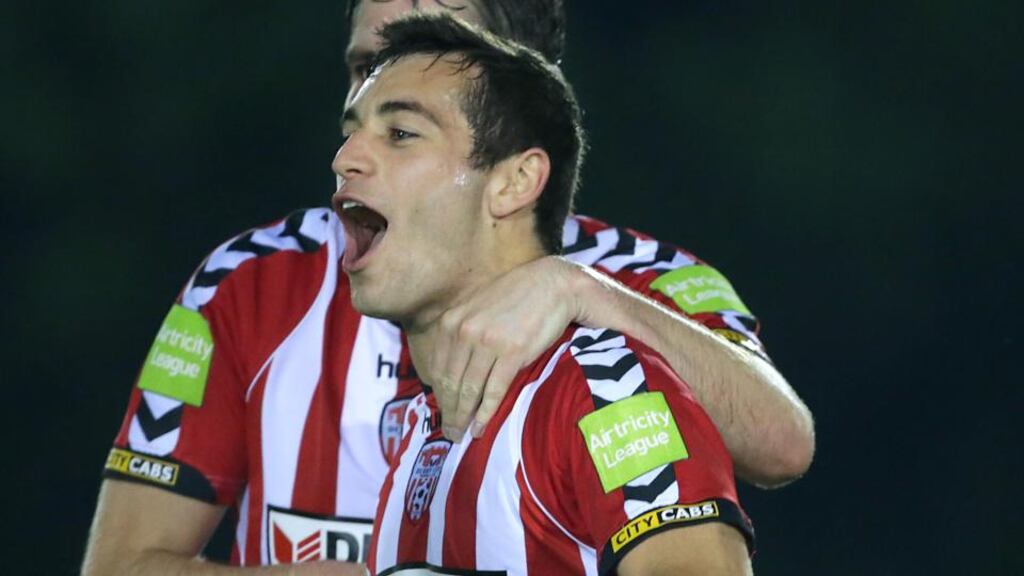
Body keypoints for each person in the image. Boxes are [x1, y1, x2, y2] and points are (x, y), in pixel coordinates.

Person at [81, 1, 811, 574]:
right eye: (367, 67)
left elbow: (784, 444)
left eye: (407, 119)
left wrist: (587, 293)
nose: (348, 153)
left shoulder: (621, 337)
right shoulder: (254, 284)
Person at [344, 14, 752, 574]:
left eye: (400, 135)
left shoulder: (605, 389)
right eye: (351, 133)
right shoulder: (422, 423)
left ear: (514, 183)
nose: (344, 159)